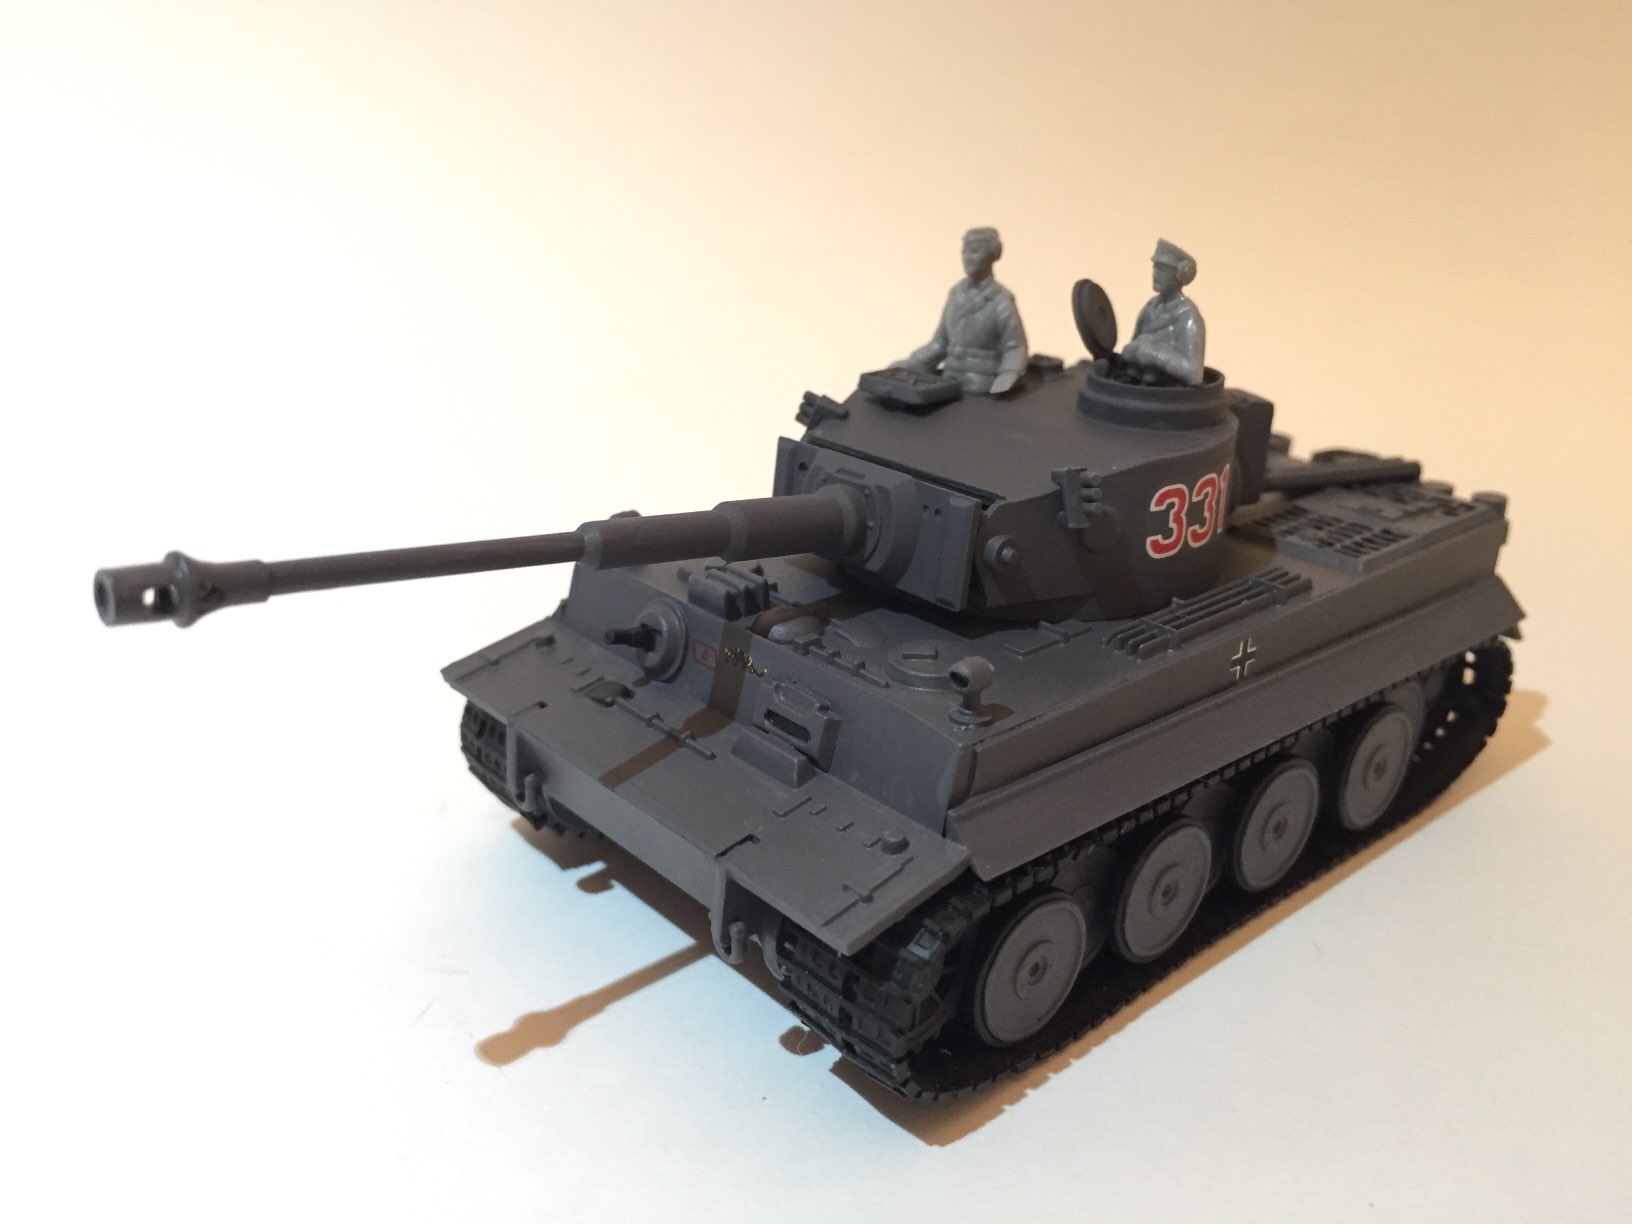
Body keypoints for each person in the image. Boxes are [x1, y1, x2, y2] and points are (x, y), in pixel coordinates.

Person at [894, 227, 1028, 395]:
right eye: (964, 251)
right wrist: (913, 363)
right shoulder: (956, 294)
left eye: (975, 251)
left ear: (992, 255)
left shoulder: (1000, 300)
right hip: (949, 379)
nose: (967, 257)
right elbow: (939, 344)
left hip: (982, 382)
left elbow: (1015, 347)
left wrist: (1008, 374)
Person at [1122, 239, 1206, 386]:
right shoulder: (1151, 307)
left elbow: (1194, 373)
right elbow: (1134, 343)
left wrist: (1155, 355)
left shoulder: (1187, 315)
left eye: (1162, 269)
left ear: (1180, 274)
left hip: (1170, 394)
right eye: (1154, 268)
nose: (1155, 274)